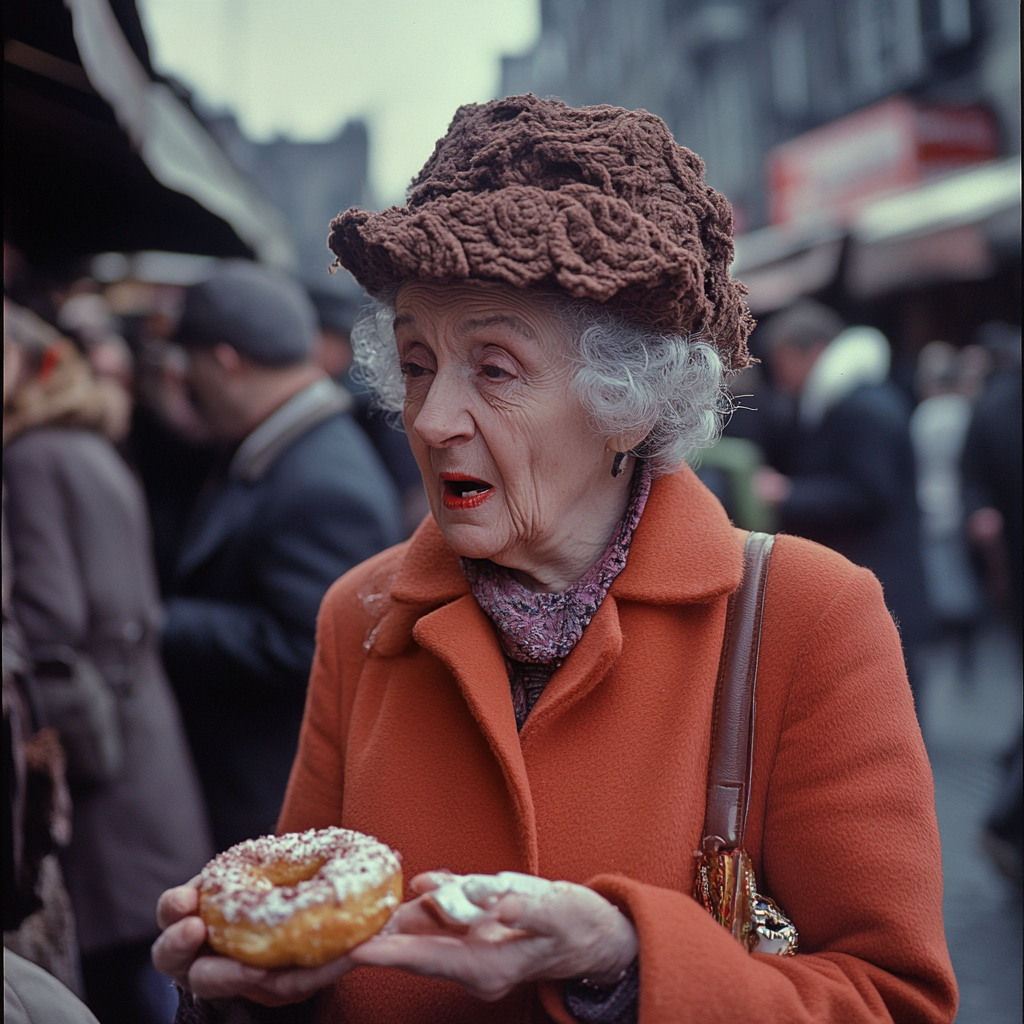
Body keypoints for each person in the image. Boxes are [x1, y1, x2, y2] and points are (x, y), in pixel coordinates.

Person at [153, 95, 956, 1023]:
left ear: (628, 400)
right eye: (417, 363)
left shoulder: (810, 616)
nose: (430, 417)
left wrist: (625, 965)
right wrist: (242, 992)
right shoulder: (362, 615)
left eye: (492, 368)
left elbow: (891, 999)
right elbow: (315, 945)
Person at [3, 301, 212, 1024]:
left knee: (137, 983)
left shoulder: (28, 456)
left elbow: (52, 612)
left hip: (101, 758)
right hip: (142, 739)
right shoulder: (88, 446)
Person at [161, 262, 402, 853]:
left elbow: (308, 641)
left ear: (224, 364)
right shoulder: (288, 445)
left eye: (190, 370)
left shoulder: (322, 481)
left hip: (263, 792)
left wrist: (163, 621)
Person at [753, 300, 930, 683]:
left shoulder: (860, 408)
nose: (781, 378)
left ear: (813, 352)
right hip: (878, 578)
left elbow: (868, 494)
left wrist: (788, 493)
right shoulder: (852, 402)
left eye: (784, 363)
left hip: (883, 580)